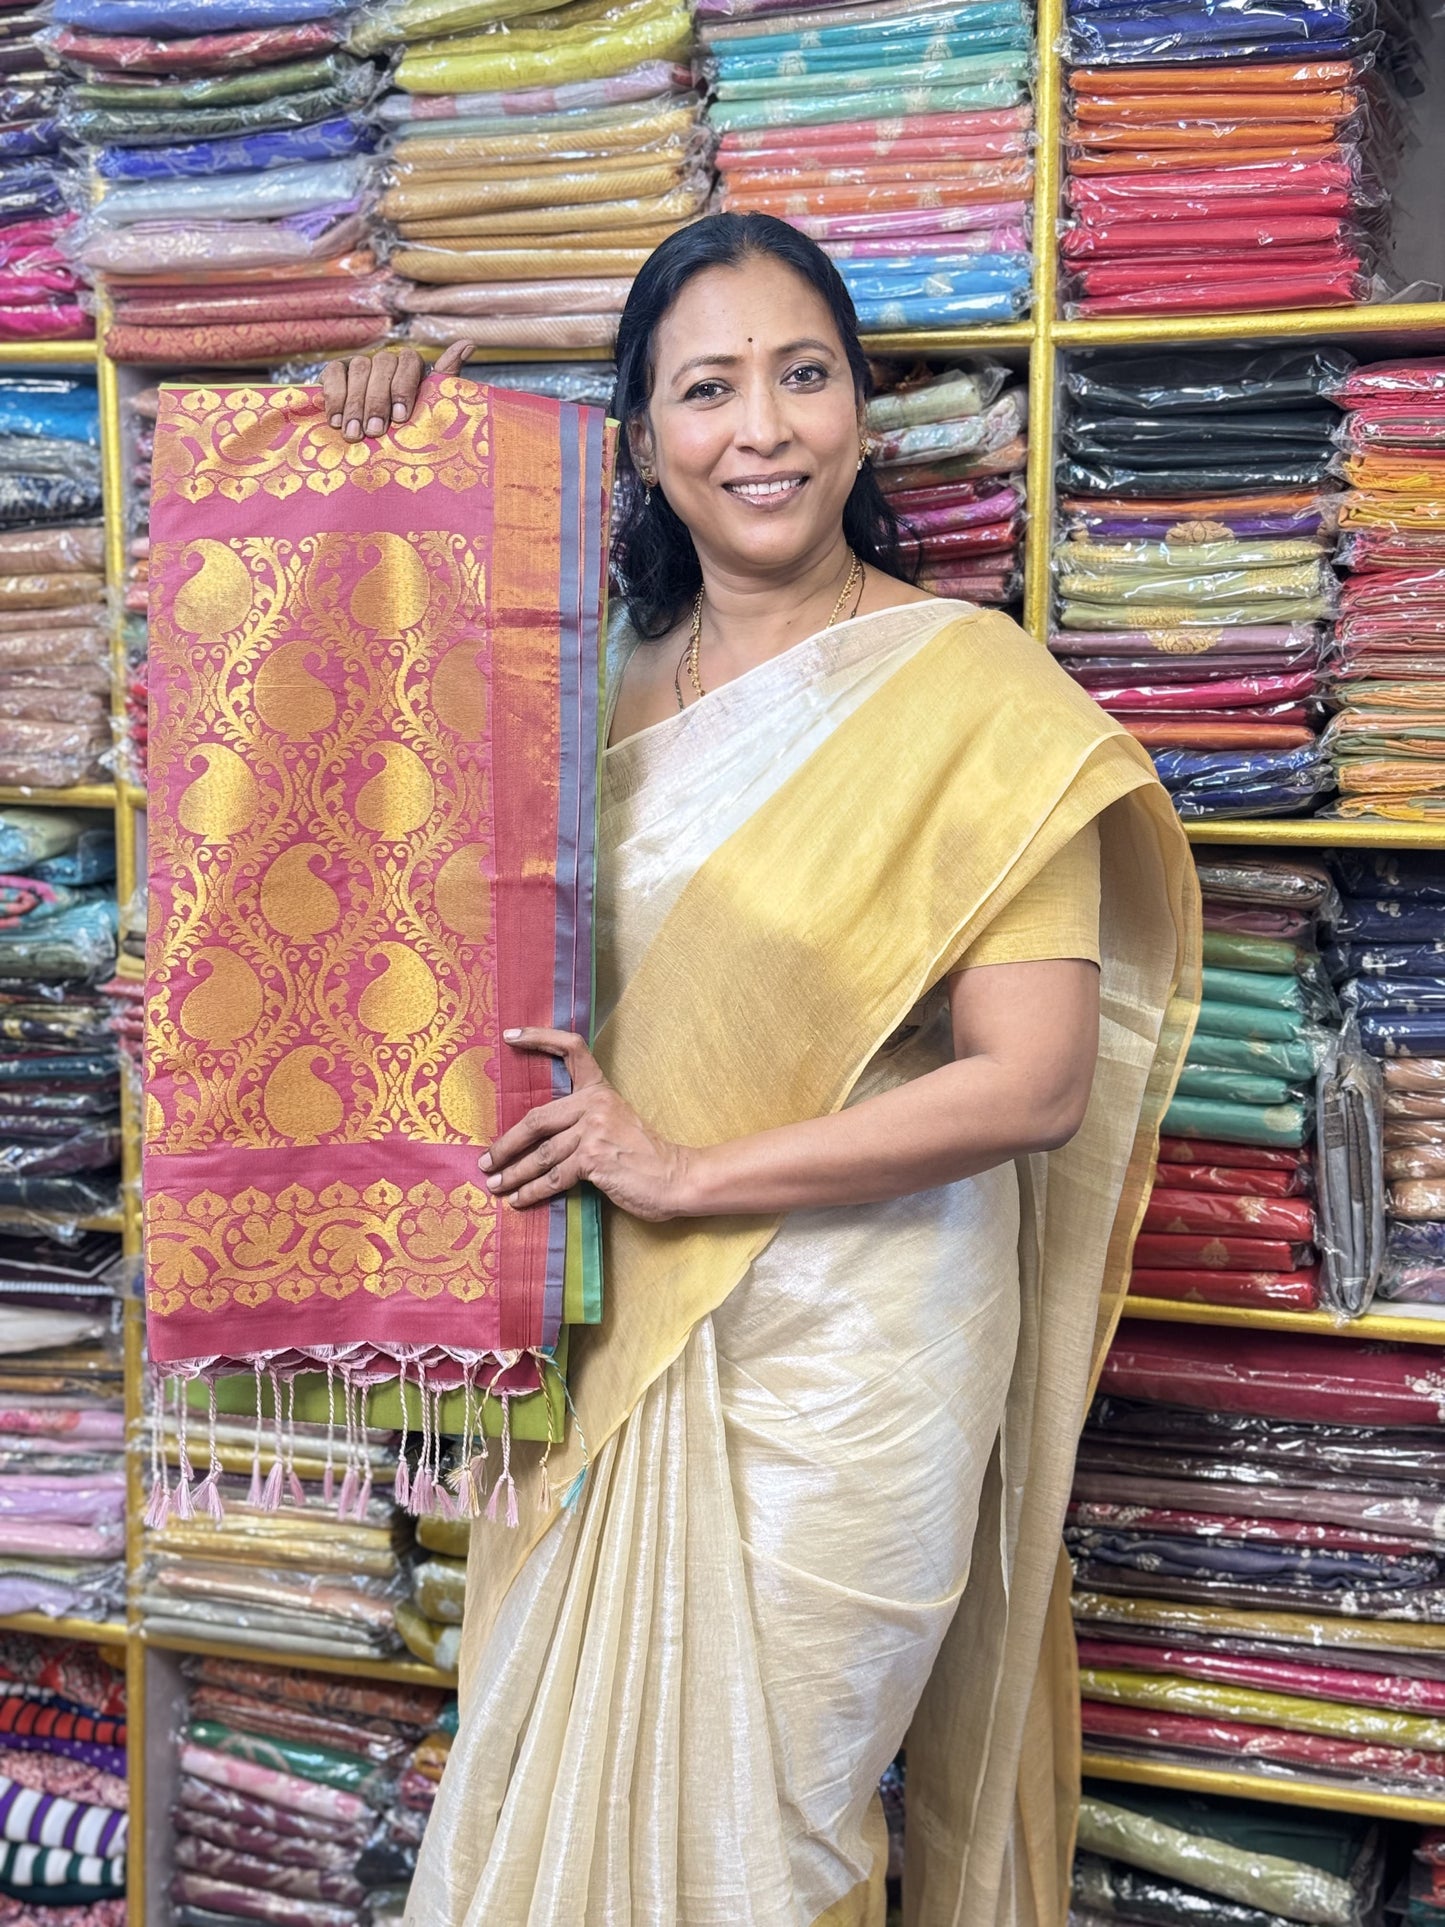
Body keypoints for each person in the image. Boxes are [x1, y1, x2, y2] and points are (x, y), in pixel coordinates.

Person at [321, 213, 1198, 1927]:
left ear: (862, 413)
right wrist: (372, 443)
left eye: (802, 376)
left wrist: (689, 1172)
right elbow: (367, 845)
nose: (762, 429)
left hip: (857, 1355)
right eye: (706, 390)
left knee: (775, 1844)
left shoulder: (972, 695)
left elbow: (1030, 1087)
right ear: (641, 444)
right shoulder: (578, 702)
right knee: (548, 1795)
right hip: (604, 1332)